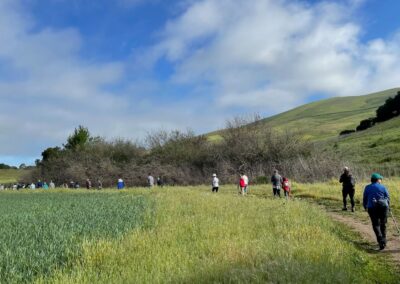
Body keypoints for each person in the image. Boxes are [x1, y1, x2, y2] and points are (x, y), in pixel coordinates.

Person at [363, 173, 390, 250]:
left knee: (376, 224)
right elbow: (387, 197)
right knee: (383, 223)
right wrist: (388, 206)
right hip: (383, 207)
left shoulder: (367, 187)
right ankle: (384, 239)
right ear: (378, 180)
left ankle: (380, 240)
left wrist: (365, 206)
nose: (381, 180)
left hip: (372, 208)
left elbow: (365, 198)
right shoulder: (383, 187)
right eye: (380, 179)